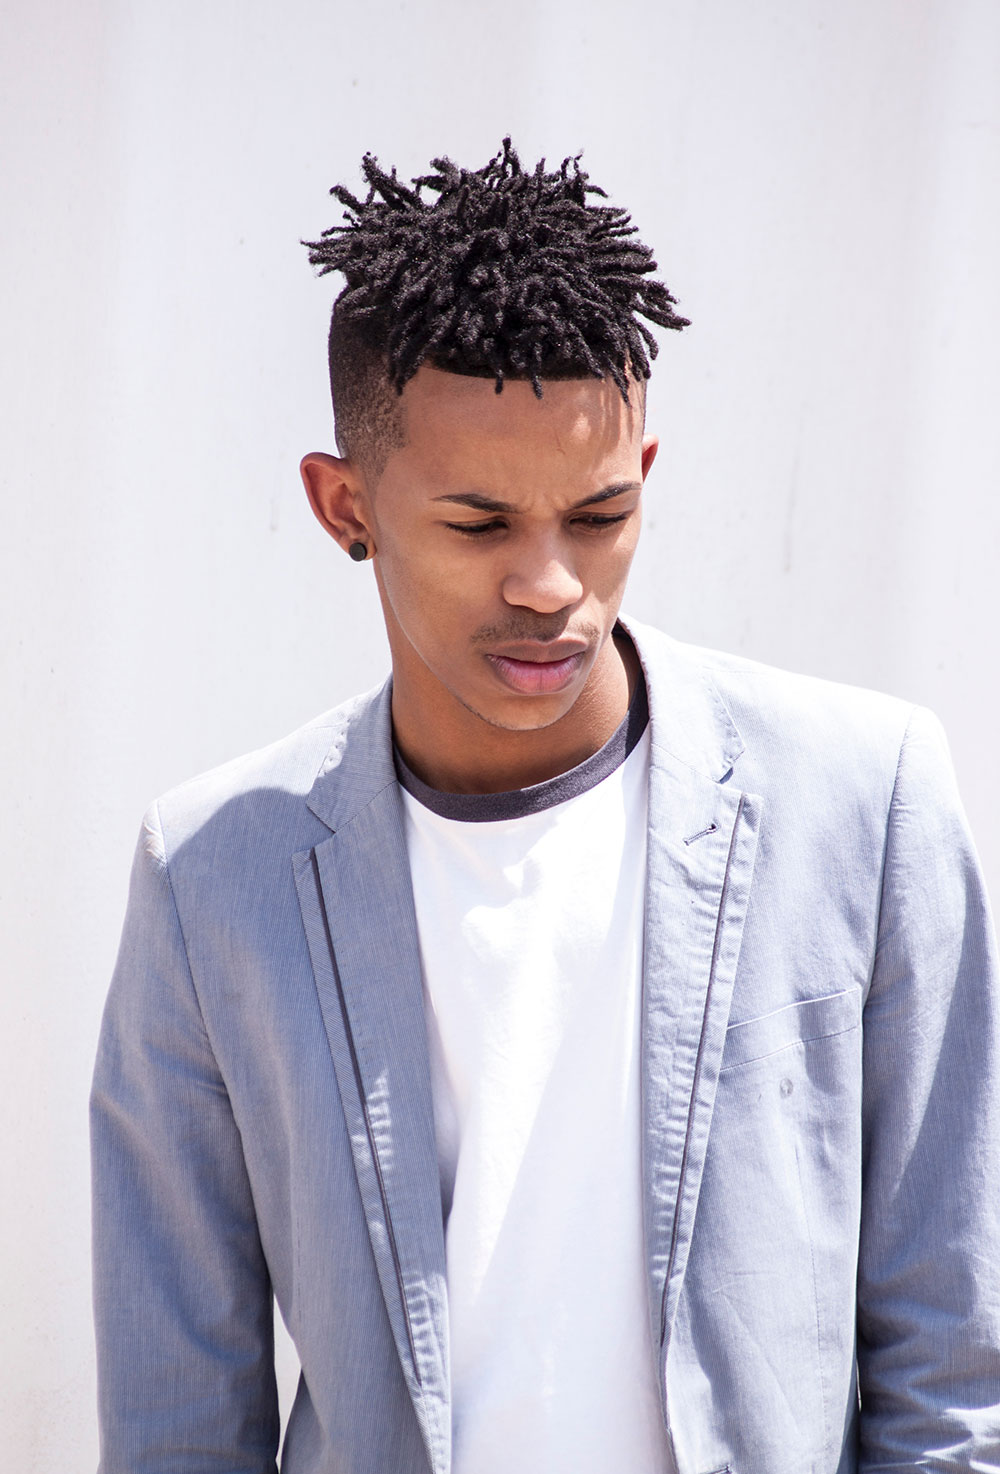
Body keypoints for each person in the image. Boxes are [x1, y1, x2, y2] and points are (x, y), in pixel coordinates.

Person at [91, 140, 1000, 1474]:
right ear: (345, 506)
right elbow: (176, 1422)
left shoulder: (864, 801)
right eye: (479, 526)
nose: (551, 584)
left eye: (600, 513)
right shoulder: (212, 876)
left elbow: (957, 1373)